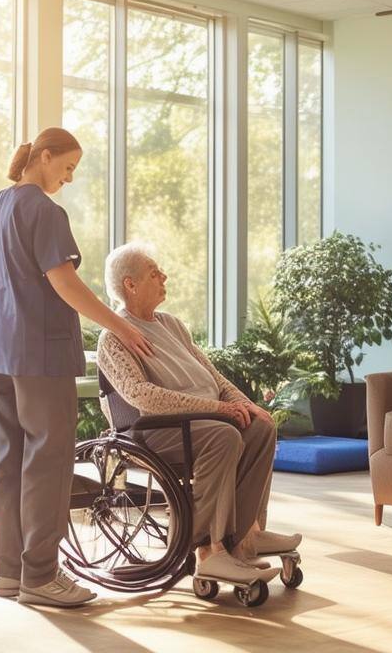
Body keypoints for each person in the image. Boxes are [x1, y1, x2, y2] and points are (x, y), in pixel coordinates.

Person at [0, 127, 153, 608]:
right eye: (67, 167)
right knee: (49, 464)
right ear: (44, 157)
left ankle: (8, 574)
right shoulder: (45, 212)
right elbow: (64, 283)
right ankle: (42, 576)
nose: (69, 178)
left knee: (7, 463)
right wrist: (121, 325)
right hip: (41, 356)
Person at [95, 242, 302, 585]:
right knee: (223, 435)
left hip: (203, 419)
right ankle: (209, 551)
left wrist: (245, 404)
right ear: (130, 285)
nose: (164, 276)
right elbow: (141, 397)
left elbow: (214, 377)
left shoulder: (172, 325)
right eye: (153, 272)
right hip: (154, 427)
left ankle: (247, 534)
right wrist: (219, 410)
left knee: (261, 427)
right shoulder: (114, 336)